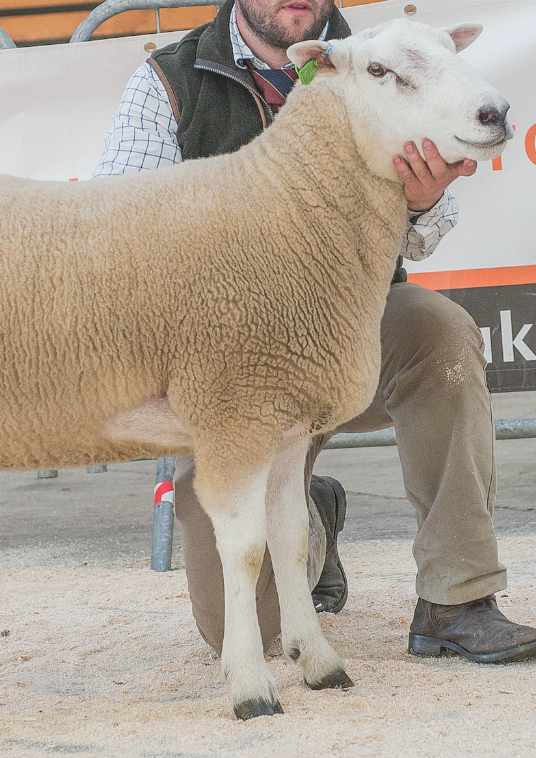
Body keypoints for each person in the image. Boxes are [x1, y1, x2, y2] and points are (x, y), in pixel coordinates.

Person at [94, 0, 536, 663]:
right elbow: (114, 228)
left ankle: (457, 595)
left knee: (441, 334)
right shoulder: (171, 81)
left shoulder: (385, 62)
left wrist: (416, 202)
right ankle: (312, 516)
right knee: (241, 633)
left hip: (349, 336)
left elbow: (425, 236)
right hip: (233, 372)